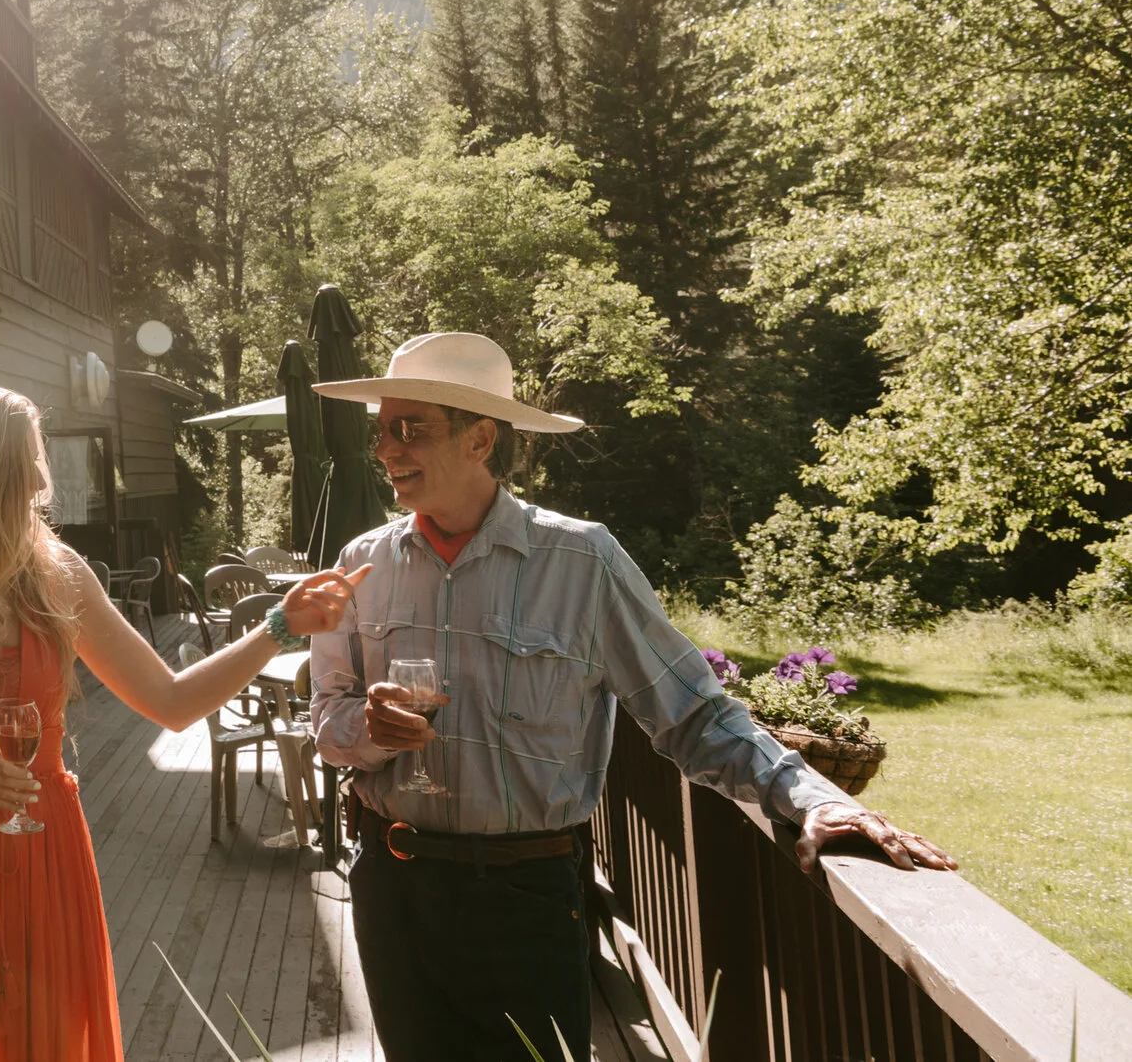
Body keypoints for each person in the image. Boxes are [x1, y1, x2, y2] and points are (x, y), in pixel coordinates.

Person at [308, 332, 954, 1061]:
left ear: (480, 437)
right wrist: (366, 725)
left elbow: (694, 711)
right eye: (382, 430)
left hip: (525, 899)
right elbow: (326, 719)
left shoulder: (583, 560)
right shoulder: (359, 565)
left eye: (409, 428)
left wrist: (813, 797)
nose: (387, 449)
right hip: (393, 891)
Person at [0, 383, 366, 1061]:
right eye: (24, 459)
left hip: (44, 848)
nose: (40, 478)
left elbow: (171, 701)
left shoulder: (58, 575)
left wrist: (278, 626)